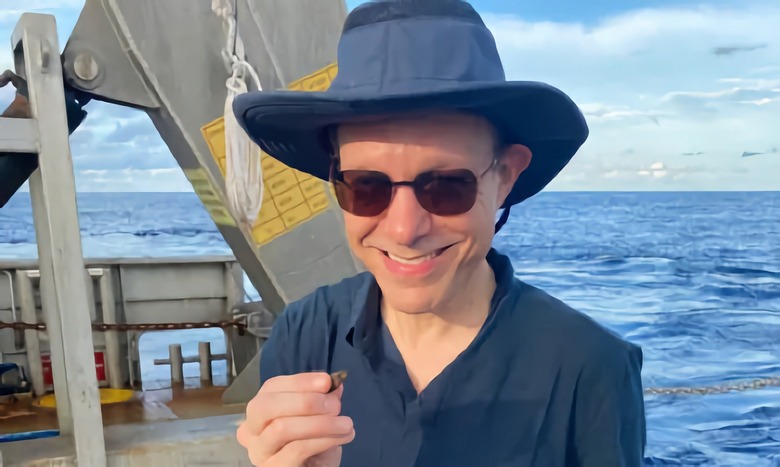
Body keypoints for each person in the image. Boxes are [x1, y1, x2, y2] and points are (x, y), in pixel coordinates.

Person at [232, 0, 646, 466]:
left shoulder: (591, 367)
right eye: (367, 186)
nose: (405, 229)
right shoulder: (304, 334)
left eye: (447, 185)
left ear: (505, 176)